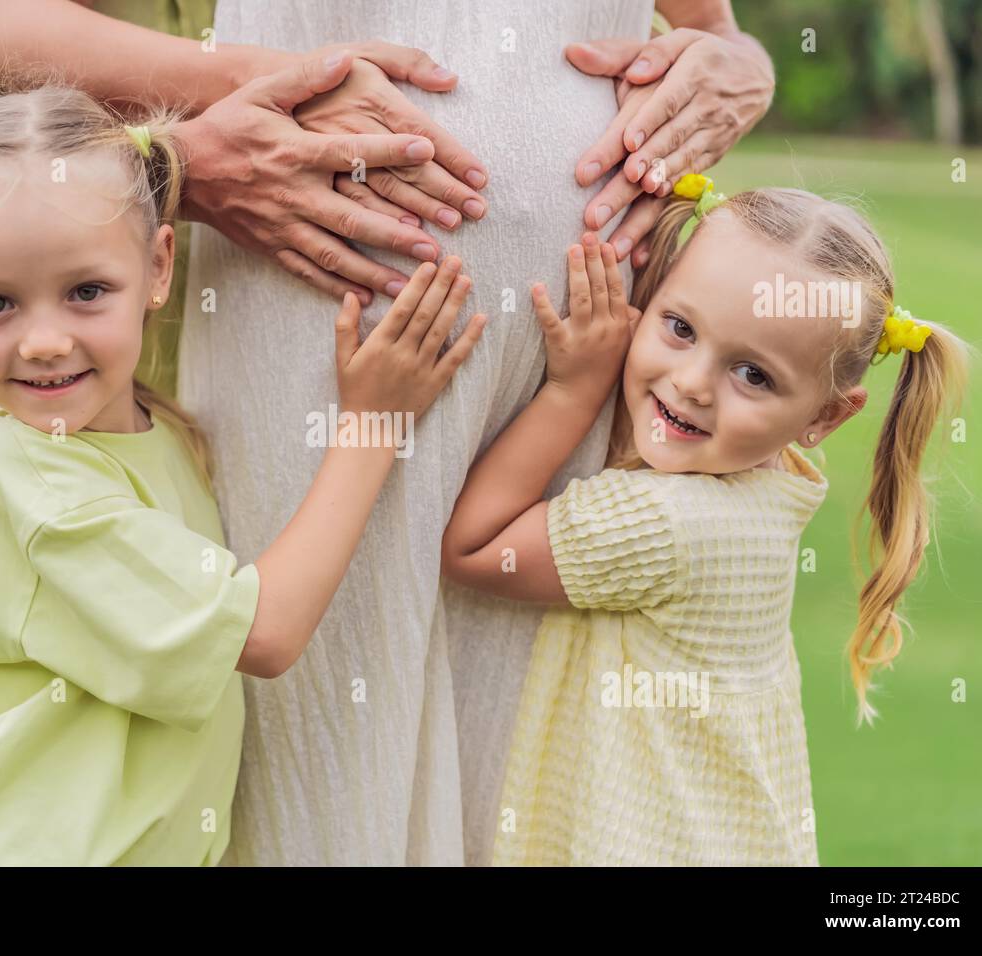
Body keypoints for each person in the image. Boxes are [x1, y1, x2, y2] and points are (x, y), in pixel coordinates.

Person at [0, 85, 484, 864]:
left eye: (86, 292)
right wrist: (372, 424)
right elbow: (262, 634)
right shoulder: (37, 488)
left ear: (159, 266)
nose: (42, 341)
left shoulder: (157, 435)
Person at [178, 0, 777, 865]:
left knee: (521, 751)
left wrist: (742, 70)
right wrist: (238, 97)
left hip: (576, 346)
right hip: (312, 302)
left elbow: (722, 36)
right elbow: (0, 27)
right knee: (315, 748)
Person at [441, 179, 967, 864]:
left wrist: (575, 388)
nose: (692, 382)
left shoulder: (666, 522)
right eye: (681, 328)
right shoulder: (776, 486)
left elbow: (475, 547)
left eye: (752, 374)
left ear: (825, 417)